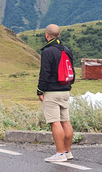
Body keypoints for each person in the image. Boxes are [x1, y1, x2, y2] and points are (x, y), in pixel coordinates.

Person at [37, 24, 75, 162]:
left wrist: (40, 90)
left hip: (51, 91)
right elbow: (72, 70)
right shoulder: (66, 49)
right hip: (65, 90)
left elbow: (45, 73)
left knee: (55, 122)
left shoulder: (47, 51)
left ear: (47, 35)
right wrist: (69, 85)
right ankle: (67, 151)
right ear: (59, 35)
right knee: (66, 121)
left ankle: (59, 154)